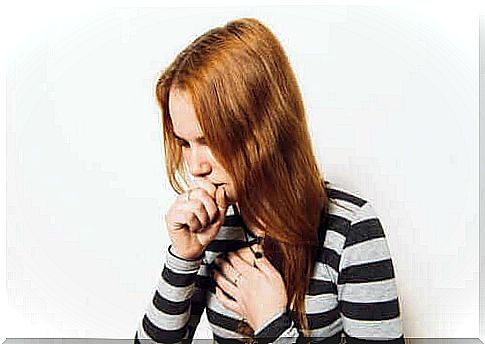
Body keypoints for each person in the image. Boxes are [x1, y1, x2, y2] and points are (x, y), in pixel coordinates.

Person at [135, 17, 404, 344]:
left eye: (208, 140)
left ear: (261, 128)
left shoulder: (351, 231)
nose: (195, 166)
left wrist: (272, 323)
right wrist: (183, 257)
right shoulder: (213, 231)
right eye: (185, 143)